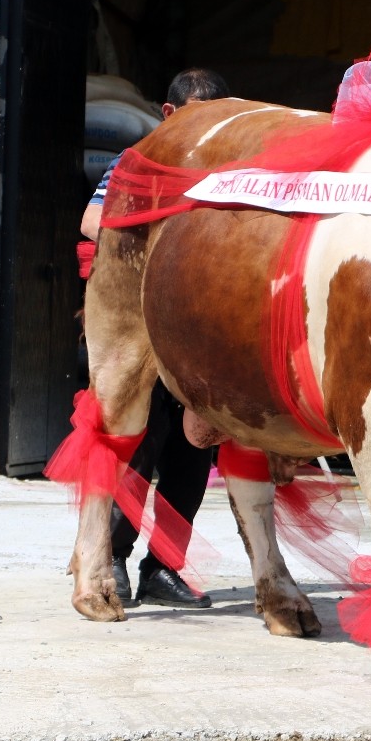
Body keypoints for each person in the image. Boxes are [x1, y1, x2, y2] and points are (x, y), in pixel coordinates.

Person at [80, 67, 232, 608]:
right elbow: (92, 220)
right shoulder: (135, 162)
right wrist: (168, 245)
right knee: (139, 449)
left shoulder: (233, 165)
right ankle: (113, 560)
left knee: (193, 457)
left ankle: (164, 568)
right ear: (168, 115)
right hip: (142, 331)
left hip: (199, 334)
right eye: (193, 117)